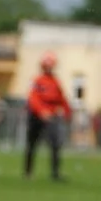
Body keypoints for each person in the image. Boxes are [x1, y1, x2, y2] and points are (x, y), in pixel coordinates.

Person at [24, 51, 72, 181]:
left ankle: (55, 173)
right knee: (31, 145)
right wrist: (41, 112)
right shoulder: (37, 81)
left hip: (51, 118)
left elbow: (62, 99)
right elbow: (32, 98)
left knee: (55, 145)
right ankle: (28, 172)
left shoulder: (55, 82)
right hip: (36, 117)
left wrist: (68, 112)